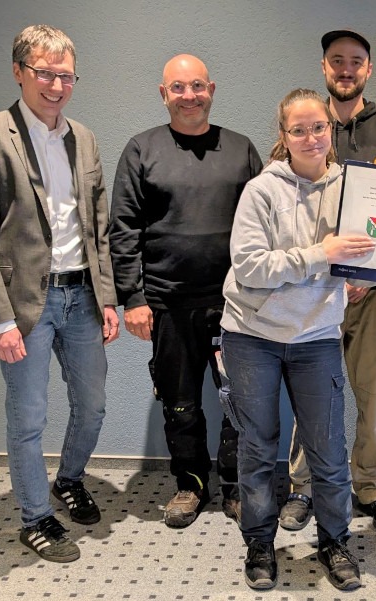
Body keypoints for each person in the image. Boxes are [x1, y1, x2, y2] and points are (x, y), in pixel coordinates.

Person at [220, 88, 376, 590]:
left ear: (330, 130)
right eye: (299, 129)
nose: (311, 137)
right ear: (283, 136)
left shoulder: (351, 189)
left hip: (315, 336)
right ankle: (260, 543)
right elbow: (247, 267)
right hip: (253, 334)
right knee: (259, 447)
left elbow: (367, 252)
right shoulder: (261, 191)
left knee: (328, 450)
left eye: (318, 127)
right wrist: (321, 254)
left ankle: (333, 542)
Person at [0, 24, 119, 563]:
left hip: (82, 298)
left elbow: (97, 224)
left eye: (66, 75)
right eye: (45, 73)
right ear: (19, 72)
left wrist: (109, 296)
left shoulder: (85, 137)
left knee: (92, 405)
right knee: (27, 417)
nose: (57, 85)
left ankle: (68, 478)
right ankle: (35, 516)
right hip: (26, 303)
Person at [109, 54, 262, 528]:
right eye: (178, 87)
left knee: (240, 401)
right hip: (168, 304)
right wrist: (132, 298)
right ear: (163, 94)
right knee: (180, 402)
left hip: (234, 305)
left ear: (211, 89)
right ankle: (189, 484)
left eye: (197, 85)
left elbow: (264, 223)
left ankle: (236, 486)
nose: (189, 95)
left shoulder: (241, 150)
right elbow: (123, 229)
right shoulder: (141, 150)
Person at [279, 29, 376, 536]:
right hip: (312, 293)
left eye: (355, 61)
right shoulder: (305, 127)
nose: (345, 69)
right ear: (323, 67)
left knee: (373, 394)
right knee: (310, 393)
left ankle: (374, 485)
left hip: (373, 293)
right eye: (336, 60)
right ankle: (304, 486)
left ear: (369, 70)